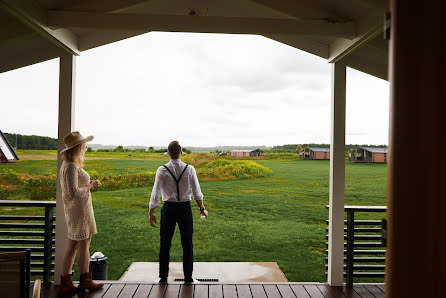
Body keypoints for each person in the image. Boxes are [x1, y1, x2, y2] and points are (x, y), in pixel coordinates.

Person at [149, 141, 208, 283]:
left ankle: (163, 278)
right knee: (187, 243)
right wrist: (202, 208)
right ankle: (188, 277)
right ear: (181, 152)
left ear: (168, 153)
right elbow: (196, 192)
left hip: (168, 208)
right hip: (185, 208)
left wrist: (151, 212)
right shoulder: (190, 169)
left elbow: (155, 192)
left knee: (165, 243)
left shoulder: (162, 170)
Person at [58, 131, 104, 295]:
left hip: (79, 210)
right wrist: (91, 186)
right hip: (79, 211)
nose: (85, 147)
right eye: (83, 144)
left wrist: (88, 184)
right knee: (83, 245)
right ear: (77, 147)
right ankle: (85, 281)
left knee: (73, 246)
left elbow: (75, 188)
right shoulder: (70, 166)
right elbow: (73, 192)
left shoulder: (70, 165)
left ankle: (67, 282)